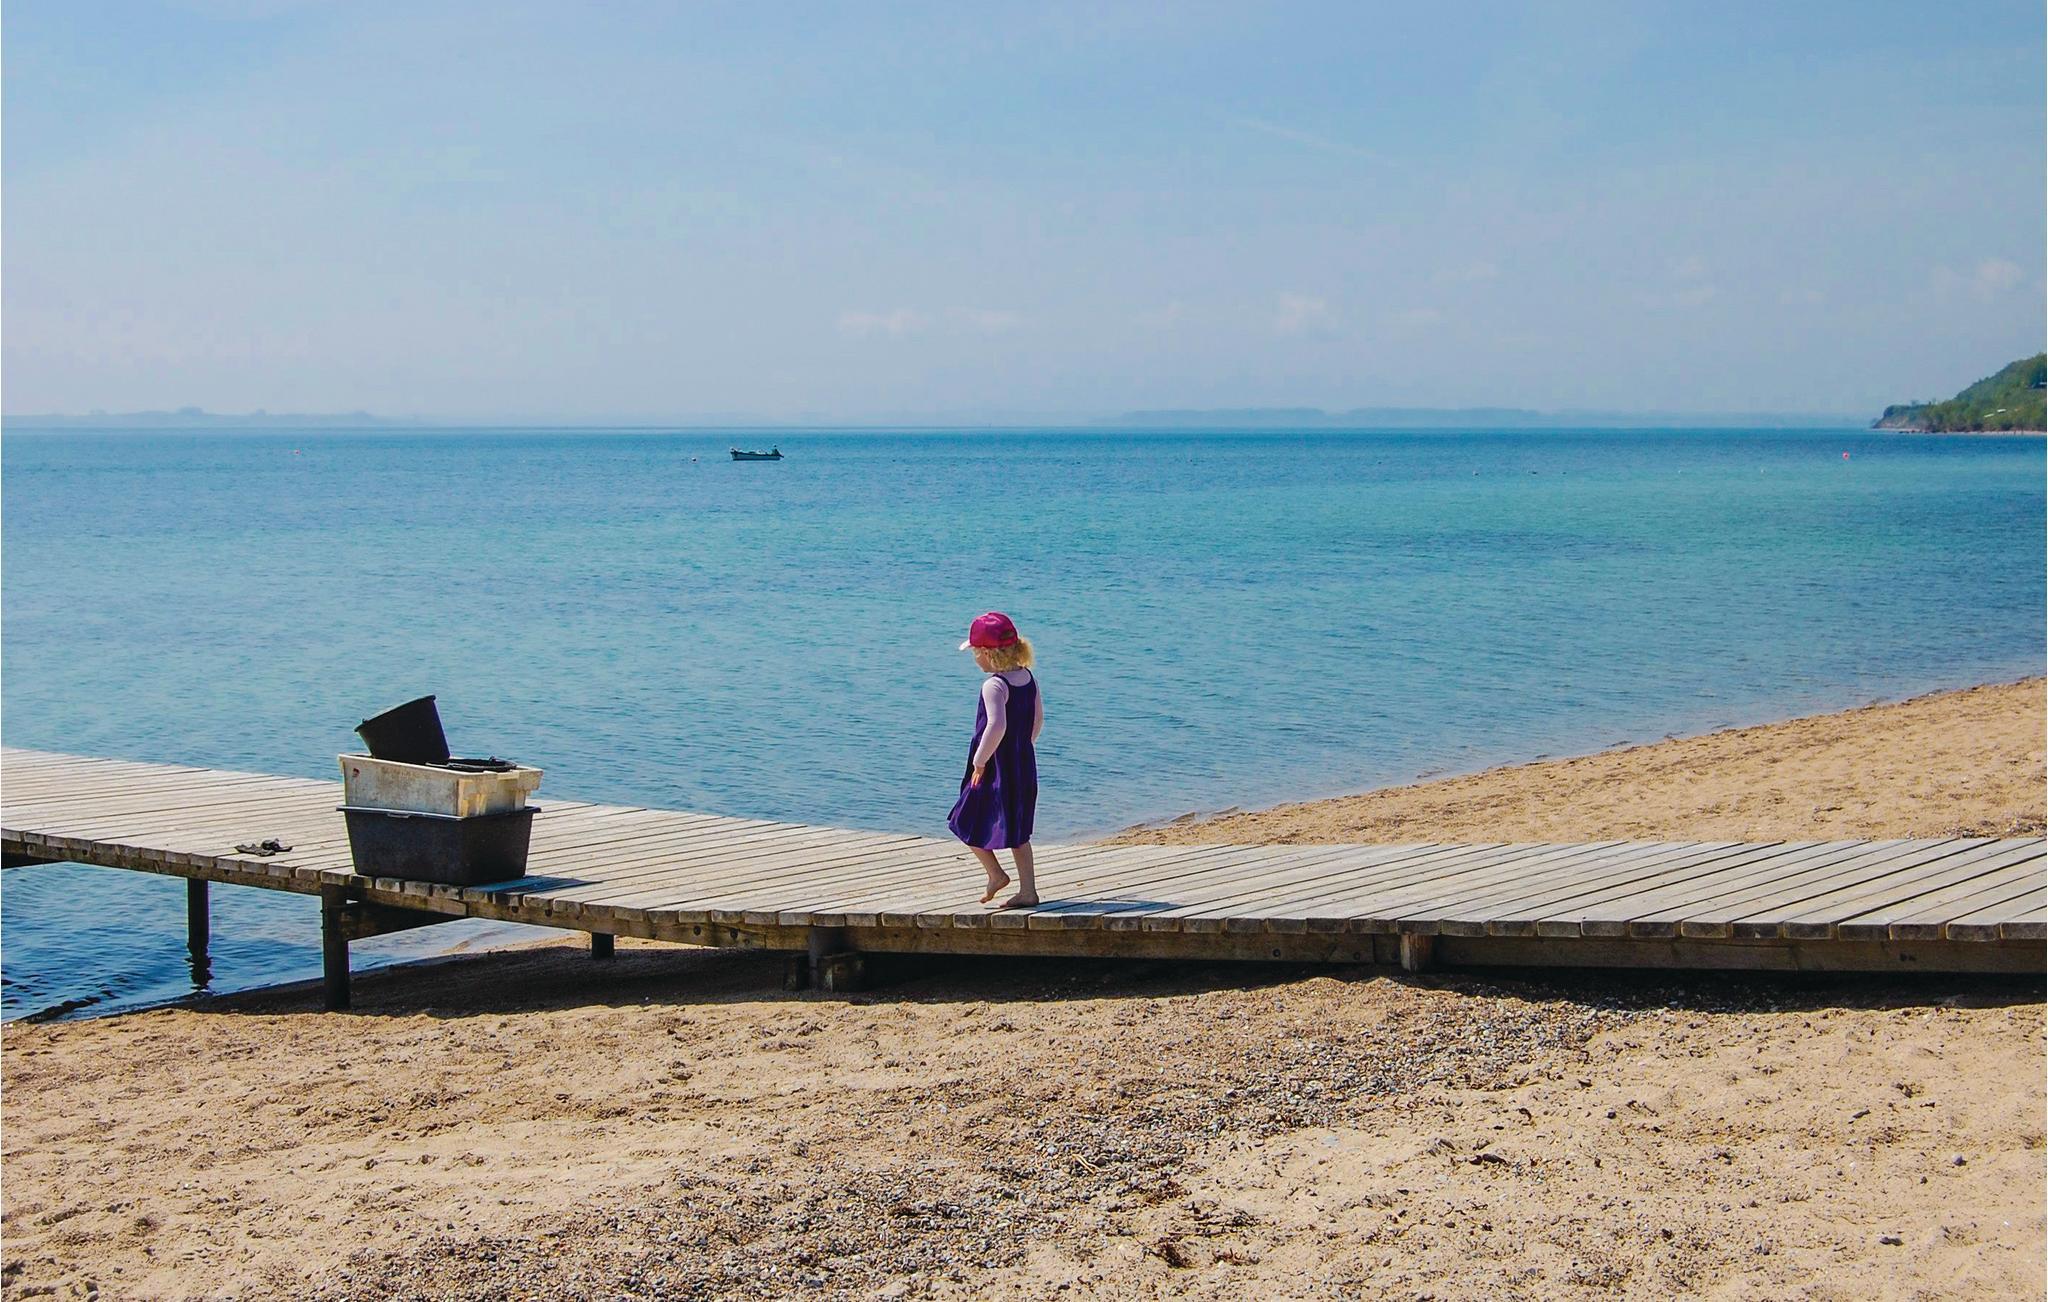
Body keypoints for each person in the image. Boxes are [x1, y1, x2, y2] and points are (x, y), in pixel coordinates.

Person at [946, 611, 1042, 908]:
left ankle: (995, 873)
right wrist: (1023, 748)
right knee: (1018, 829)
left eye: (975, 653)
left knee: (963, 818)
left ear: (988, 654)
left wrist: (980, 761)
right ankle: (1028, 890)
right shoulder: (1027, 678)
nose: (975, 659)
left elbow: (996, 726)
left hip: (994, 765)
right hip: (1022, 763)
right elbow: (1038, 720)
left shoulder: (994, 685)